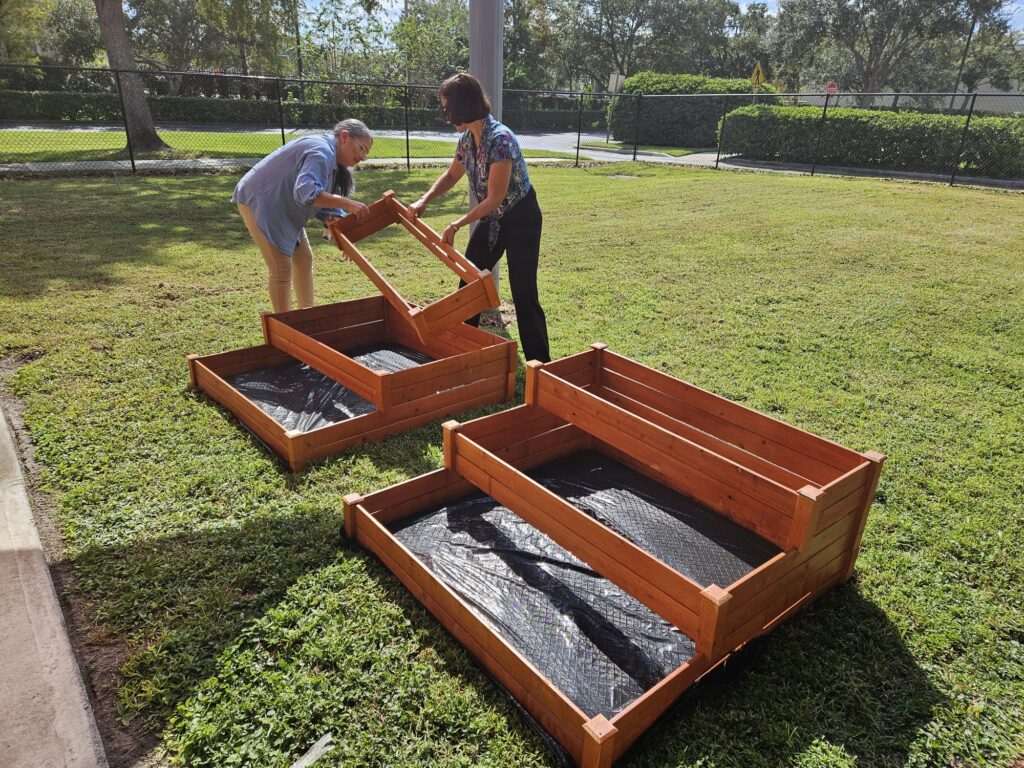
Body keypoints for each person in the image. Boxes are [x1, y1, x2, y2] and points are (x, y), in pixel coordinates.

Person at [408, 73, 550, 363]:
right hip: (494, 218)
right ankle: (461, 352)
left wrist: (457, 224)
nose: (445, 114)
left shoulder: (501, 140)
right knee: (470, 285)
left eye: (447, 107)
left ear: (463, 106)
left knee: (523, 293)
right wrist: (424, 199)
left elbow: (495, 197)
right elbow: (451, 174)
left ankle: (541, 365)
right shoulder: (465, 140)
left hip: (522, 218)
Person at [232, 119, 373, 312]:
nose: (363, 157)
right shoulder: (321, 152)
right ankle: (287, 329)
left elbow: (326, 202)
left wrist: (344, 234)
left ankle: (307, 315)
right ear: (344, 137)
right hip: (262, 201)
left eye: (366, 153)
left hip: (283, 205)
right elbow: (306, 191)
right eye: (362, 148)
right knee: (281, 269)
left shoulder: (332, 159)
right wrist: (347, 203)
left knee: (304, 259)